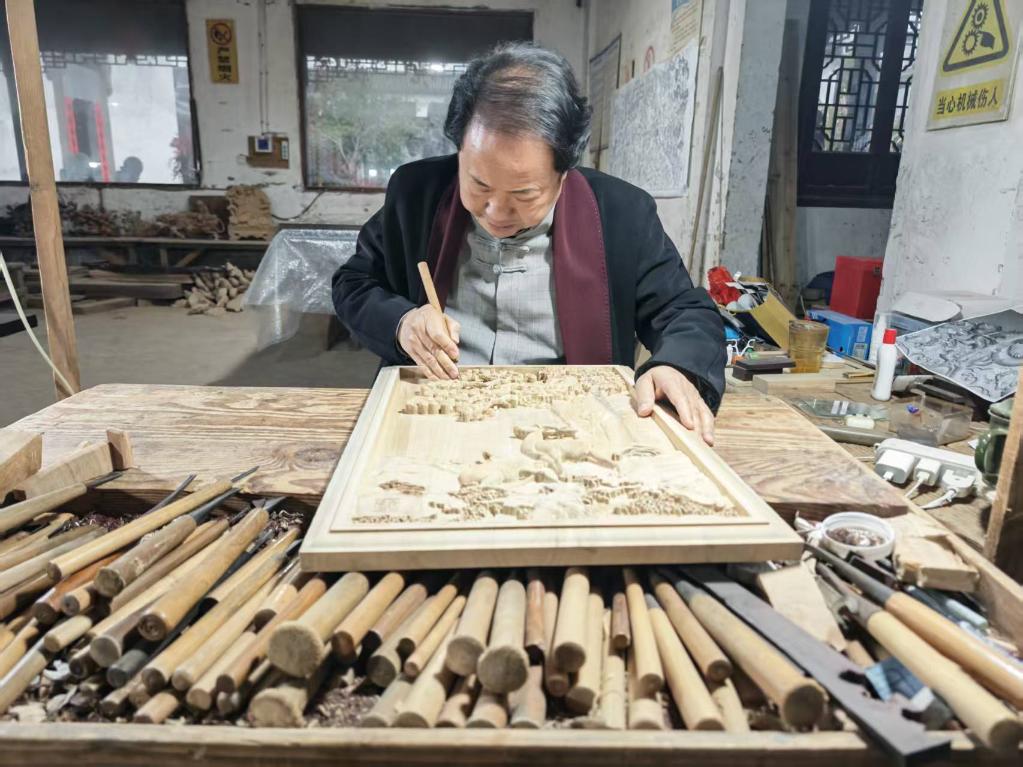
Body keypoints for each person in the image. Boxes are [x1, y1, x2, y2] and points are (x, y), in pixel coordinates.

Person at [333, 43, 725, 445]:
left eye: (524, 194)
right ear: (460, 150)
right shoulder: (415, 194)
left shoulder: (622, 213)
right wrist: (402, 323)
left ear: (564, 172)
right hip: (436, 412)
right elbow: (354, 283)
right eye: (478, 184)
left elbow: (684, 310)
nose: (496, 211)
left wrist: (677, 365)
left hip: (568, 425)